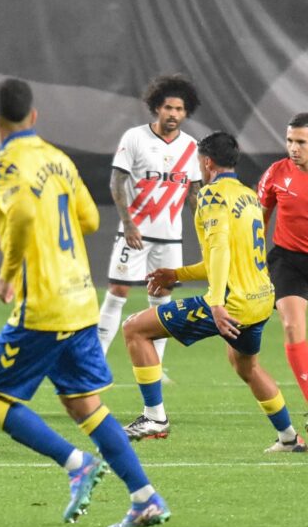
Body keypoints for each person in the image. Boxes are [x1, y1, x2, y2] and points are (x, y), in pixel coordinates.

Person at [0, 78, 168, 527]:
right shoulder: (59, 160)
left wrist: (7, 271)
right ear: (35, 117)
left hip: (42, 306)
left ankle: (76, 463)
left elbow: (21, 213)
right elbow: (91, 219)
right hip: (81, 299)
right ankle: (145, 498)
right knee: (86, 406)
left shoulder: (3, 164)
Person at [122, 132, 305, 453]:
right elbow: (227, 257)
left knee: (135, 328)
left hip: (230, 303)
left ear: (206, 163)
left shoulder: (210, 196)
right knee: (246, 366)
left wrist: (217, 304)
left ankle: (154, 418)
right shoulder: (248, 196)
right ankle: (289, 437)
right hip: (261, 299)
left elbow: (219, 250)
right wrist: (176, 274)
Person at [97, 75, 202, 371]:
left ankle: (155, 366)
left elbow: (194, 194)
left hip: (170, 237)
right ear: (157, 107)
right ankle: (94, 365)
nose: (173, 114)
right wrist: (128, 225)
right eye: (168, 107)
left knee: (162, 304)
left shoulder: (192, 147)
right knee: (117, 292)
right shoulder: (135, 137)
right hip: (136, 233)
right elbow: (117, 182)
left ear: (186, 112)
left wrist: (205, 230)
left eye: (180, 109)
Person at [259, 113, 308, 417]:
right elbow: (256, 221)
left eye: (301, 142)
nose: (293, 147)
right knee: (291, 325)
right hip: (288, 260)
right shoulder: (277, 173)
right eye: (290, 140)